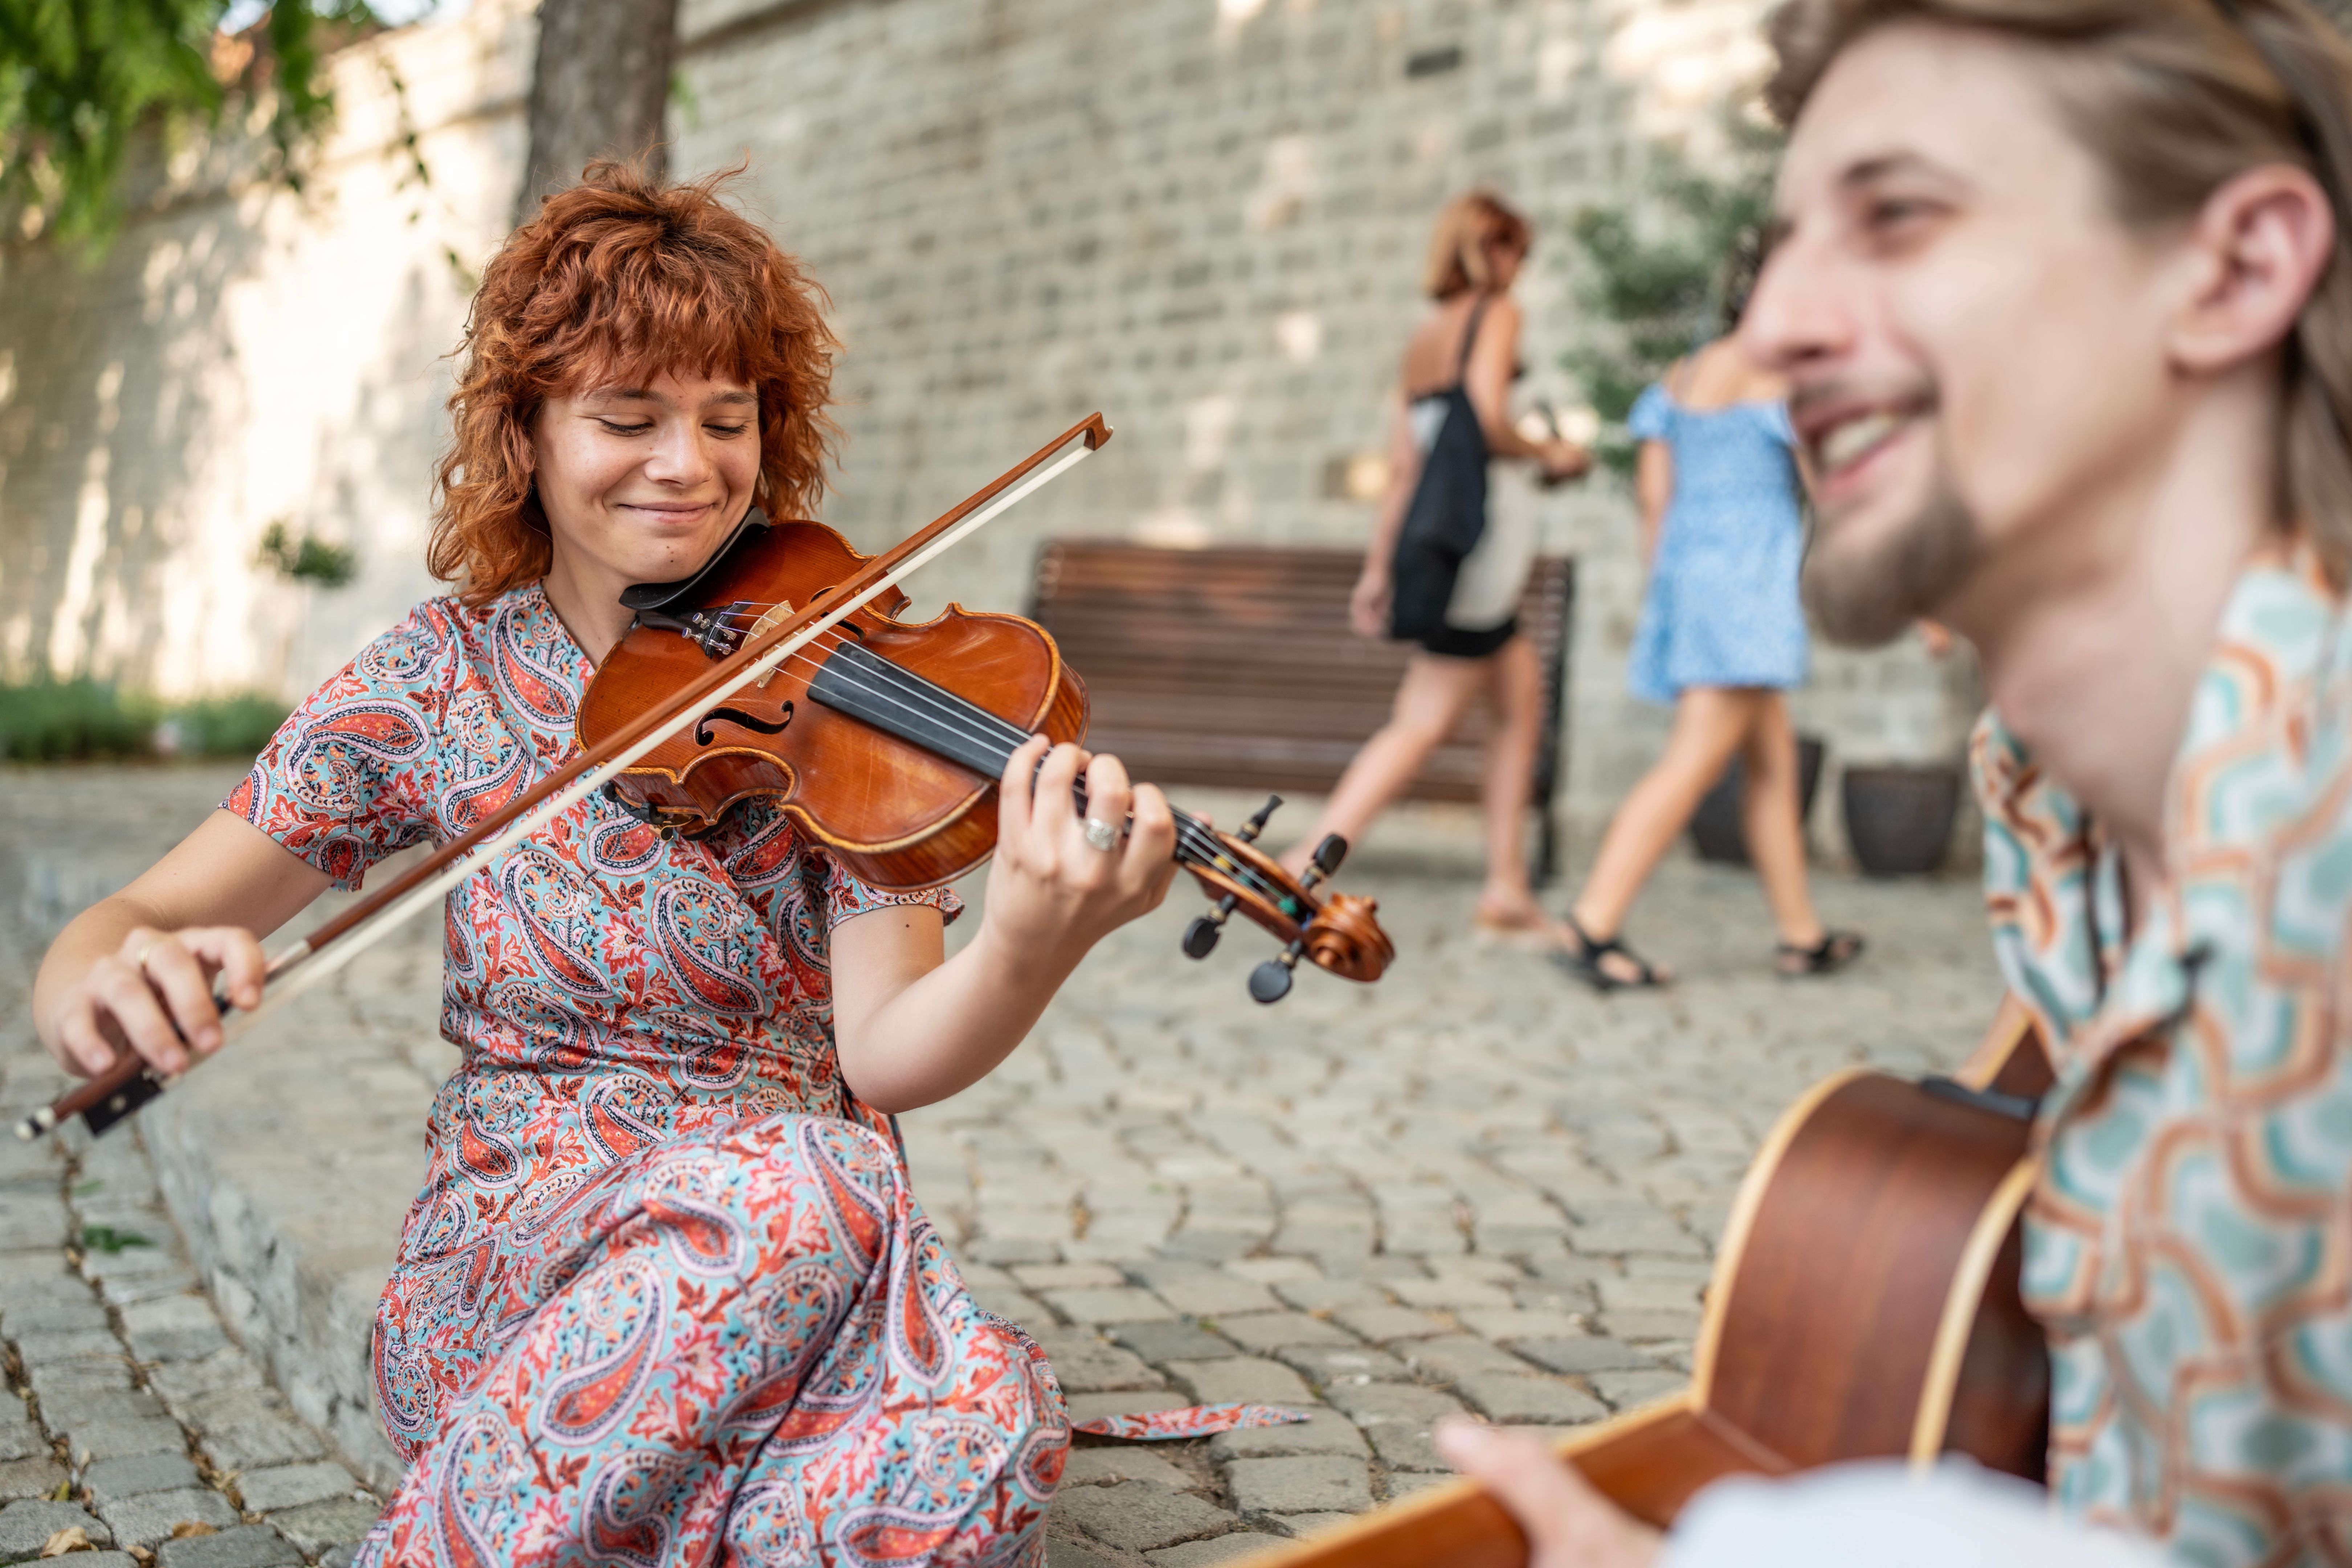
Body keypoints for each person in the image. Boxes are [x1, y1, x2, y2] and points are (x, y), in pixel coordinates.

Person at [28, 164, 1195, 1567]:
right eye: (627, 419)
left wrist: (1033, 941)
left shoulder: (842, 681)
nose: (688, 465)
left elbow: (883, 1052)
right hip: (529, 1267)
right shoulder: (435, 681)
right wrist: (116, 979)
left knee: (980, 1441)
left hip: (795, 1276)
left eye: (727, 418)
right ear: (525, 433)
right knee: (817, 1182)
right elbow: (132, 918)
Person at [1434, 0, 2352, 1562]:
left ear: (2241, 266)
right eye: (1786, 241)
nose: (1782, 320)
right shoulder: (2052, 815)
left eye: (1901, 216)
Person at [1279, 190, 1591, 935]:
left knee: (1518, 701)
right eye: (1505, 244)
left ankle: (1507, 886)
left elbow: (1404, 470)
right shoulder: (1498, 315)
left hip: (1450, 542)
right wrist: (1552, 451)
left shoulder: (1423, 336)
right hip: (1486, 537)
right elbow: (1486, 417)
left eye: (1521, 246)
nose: (1517, 262)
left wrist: (1379, 568)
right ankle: (1303, 863)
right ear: (1476, 248)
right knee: (1421, 720)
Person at [1557, 266, 1862, 991]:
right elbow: (1835, 495)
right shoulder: (1784, 380)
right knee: (1693, 760)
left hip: (1691, 579)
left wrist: (1667, 589)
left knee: (1772, 765)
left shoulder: (1683, 376)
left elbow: (1654, 501)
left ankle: (1801, 935)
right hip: (1749, 588)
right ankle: (1592, 925)